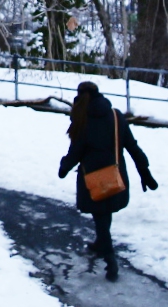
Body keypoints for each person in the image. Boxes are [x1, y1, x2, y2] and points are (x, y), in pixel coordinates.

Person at [59, 80, 157, 281]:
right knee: (105, 214)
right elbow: (132, 146)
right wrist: (144, 171)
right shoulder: (115, 116)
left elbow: (76, 151)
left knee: (100, 217)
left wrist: (64, 167)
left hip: (93, 179)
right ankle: (99, 243)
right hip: (115, 175)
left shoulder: (83, 119)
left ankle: (110, 259)